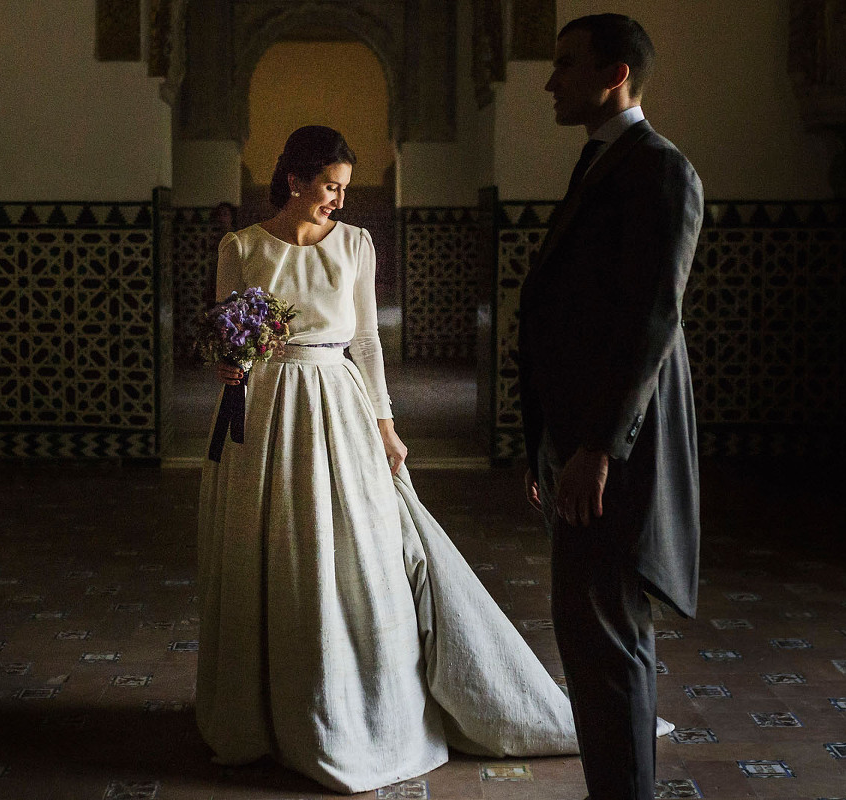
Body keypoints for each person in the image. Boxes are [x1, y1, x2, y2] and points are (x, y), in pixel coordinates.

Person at [196, 125, 581, 793]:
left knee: (352, 548)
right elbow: (225, 330)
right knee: (266, 546)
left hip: (338, 406)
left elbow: (368, 342)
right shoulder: (241, 246)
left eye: (345, 188)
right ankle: (259, 714)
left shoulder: (356, 245)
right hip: (260, 414)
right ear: (295, 180)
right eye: (329, 187)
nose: (339, 200)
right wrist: (227, 365)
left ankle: (354, 704)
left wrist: (386, 425)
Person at [519, 14, 703, 800]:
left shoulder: (658, 169)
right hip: (585, 444)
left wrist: (597, 446)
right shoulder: (605, 163)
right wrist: (547, 446)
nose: (551, 80)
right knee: (591, 636)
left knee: (609, 637)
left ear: (615, 73)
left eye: (566, 64)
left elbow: (650, 321)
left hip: (617, 451)